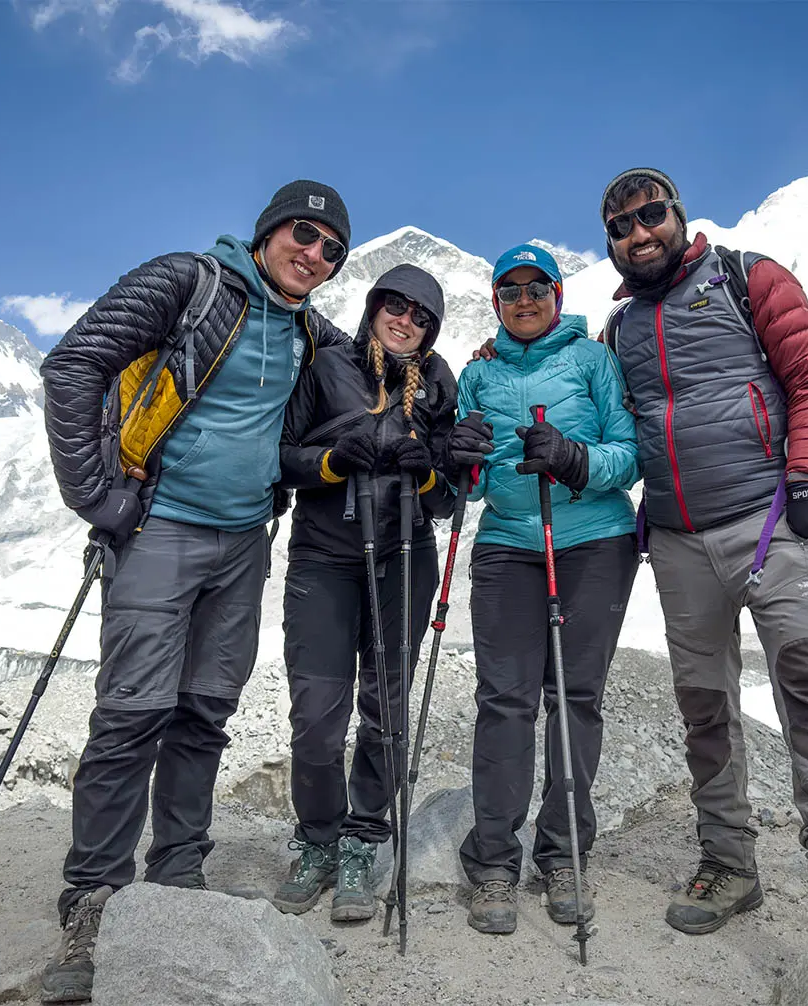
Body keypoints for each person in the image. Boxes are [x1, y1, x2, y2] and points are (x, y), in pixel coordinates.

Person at [38, 180, 351, 1002]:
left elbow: (383, 366)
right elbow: (73, 363)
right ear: (268, 231)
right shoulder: (189, 281)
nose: (313, 255)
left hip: (246, 540)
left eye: (331, 250)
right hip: (160, 530)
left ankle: (176, 878)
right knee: (131, 714)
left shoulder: (310, 333)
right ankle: (94, 904)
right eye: (303, 234)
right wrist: (99, 499)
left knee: (204, 712)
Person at [598, 167, 808, 940]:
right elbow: (599, 412)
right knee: (705, 708)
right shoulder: (618, 331)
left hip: (770, 520)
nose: (641, 233)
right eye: (622, 226)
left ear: (678, 214)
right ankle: (729, 865)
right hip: (675, 540)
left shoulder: (749, 277)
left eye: (652, 215)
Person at [451, 243, 640, 936]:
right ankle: (495, 861)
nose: (524, 301)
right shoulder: (478, 372)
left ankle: (563, 853)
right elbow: (467, 487)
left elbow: (631, 453)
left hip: (593, 541)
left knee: (575, 697)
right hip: (506, 547)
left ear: (558, 295)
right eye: (511, 291)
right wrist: (461, 458)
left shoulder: (595, 360)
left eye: (538, 289)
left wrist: (575, 458)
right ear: (495, 300)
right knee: (503, 701)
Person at [272, 264, 457, 922]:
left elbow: (453, 494)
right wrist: (331, 460)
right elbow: (282, 454)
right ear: (375, 305)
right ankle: (318, 840)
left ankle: (362, 841)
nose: (405, 319)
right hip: (325, 557)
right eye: (395, 305)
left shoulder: (439, 381)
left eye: (421, 314)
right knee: (316, 716)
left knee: (384, 713)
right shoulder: (325, 367)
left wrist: (428, 473)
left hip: (405, 557)